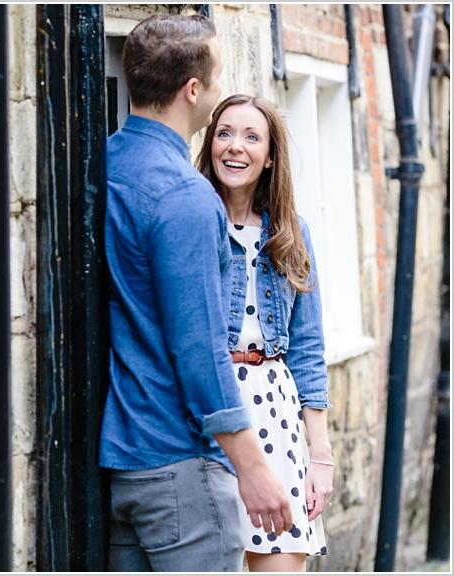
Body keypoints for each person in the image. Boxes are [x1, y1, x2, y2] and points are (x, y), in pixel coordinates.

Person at [98, 14, 293, 572]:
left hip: (127, 459)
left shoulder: (105, 164)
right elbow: (199, 349)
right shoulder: (183, 195)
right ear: (193, 89)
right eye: (217, 75)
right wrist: (253, 467)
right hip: (179, 466)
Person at [195, 94, 334, 572]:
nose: (236, 147)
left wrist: (322, 458)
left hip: (276, 415)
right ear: (210, 143)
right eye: (225, 133)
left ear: (270, 155)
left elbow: (310, 350)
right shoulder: (192, 222)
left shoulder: (292, 234)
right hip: (209, 411)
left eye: (252, 137)